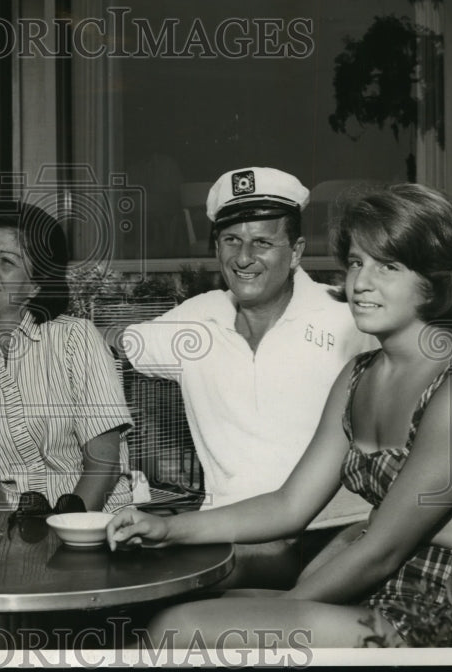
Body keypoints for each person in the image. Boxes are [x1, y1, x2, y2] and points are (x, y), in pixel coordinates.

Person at [107, 184, 452, 648]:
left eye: (388, 266)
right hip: (366, 593)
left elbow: (383, 549)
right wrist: (168, 528)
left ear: (435, 280)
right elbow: (289, 505)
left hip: (436, 613)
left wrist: (283, 611)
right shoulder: (358, 374)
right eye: (358, 261)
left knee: (181, 630)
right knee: (177, 613)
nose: (361, 282)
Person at [108, 166, 377, 583]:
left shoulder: (347, 318)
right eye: (231, 240)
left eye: (263, 242)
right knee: (132, 584)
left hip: (335, 533)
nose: (244, 258)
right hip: (228, 535)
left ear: (298, 251)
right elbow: (116, 343)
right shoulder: (197, 318)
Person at [0, 201, 133, 514]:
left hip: (93, 522)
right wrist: (14, 542)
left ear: (36, 285)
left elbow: (103, 464)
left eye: (7, 261)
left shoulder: (75, 339)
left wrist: (67, 531)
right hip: (12, 533)